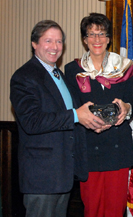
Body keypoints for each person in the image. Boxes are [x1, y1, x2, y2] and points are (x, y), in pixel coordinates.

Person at [10, 20, 105, 217]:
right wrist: (76, 115)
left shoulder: (58, 74)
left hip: (63, 173)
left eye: (59, 42)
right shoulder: (24, 76)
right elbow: (31, 122)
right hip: (42, 176)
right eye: (48, 41)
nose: (55, 47)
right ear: (34, 44)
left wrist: (89, 121)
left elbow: (69, 118)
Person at [64, 13, 133, 217]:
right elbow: (73, 107)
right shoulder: (72, 70)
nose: (97, 40)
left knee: (115, 209)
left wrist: (126, 108)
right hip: (88, 148)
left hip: (117, 149)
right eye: (91, 34)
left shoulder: (125, 68)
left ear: (109, 38)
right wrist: (88, 120)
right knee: (92, 209)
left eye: (102, 34)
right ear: (84, 39)